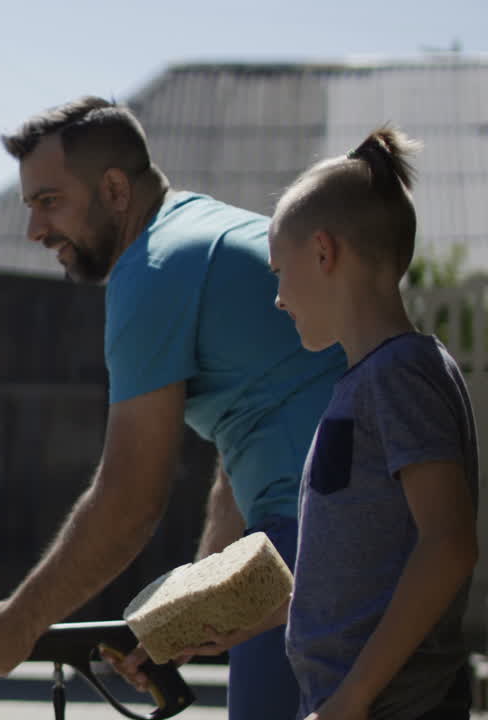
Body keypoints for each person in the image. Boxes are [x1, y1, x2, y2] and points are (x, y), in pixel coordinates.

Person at [0, 96, 346, 720]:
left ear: (114, 190)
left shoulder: (153, 269)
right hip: (348, 531)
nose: (33, 230)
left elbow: (130, 501)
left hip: (317, 540)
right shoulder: (202, 232)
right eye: (28, 206)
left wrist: (19, 624)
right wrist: (191, 602)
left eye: (49, 201)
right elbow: (248, 444)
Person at [189, 127, 479, 719]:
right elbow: (362, 572)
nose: (277, 298)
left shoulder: (401, 374)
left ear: (323, 253)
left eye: (279, 272)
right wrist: (258, 618)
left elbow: (449, 544)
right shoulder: (366, 381)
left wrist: (353, 698)